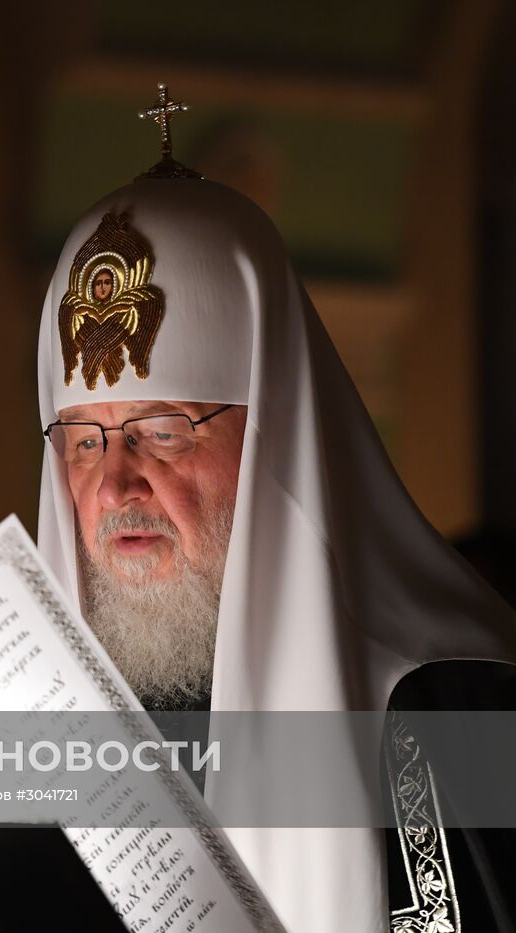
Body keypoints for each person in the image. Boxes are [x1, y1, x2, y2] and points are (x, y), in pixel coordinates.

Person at [35, 135, 516, 929]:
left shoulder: (453, 709)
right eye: (85, 440)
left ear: (275, 437)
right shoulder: (35, 732)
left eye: (161, 429)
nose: (115, 484)